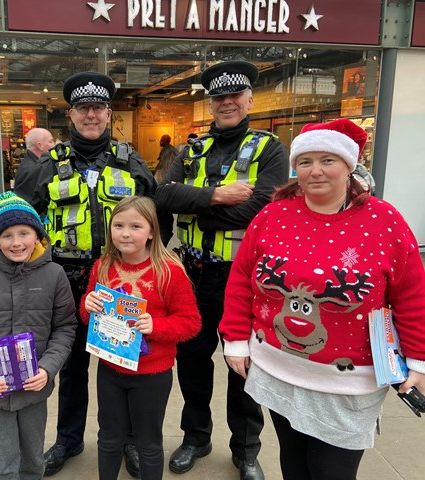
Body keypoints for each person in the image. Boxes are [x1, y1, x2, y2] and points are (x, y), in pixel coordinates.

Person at [219, 118, 425, 480]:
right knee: (293, 464)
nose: (315, 171)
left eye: (327, 160)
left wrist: (419, 359)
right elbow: (241, 280)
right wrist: (235, 338)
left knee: (333, 472)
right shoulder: (272, 216)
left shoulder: (384, 221)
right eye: (305, 161)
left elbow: (411, 295)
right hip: (279, 367)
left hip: (347, 382)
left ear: (349, 166)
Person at [14, 71, 161, 478]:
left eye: (98, 107)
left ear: (109, 113)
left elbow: (152, 216)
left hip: (120, 281)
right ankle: (69, 439)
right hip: (67, 279)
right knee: (72, 365)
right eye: (83, 108)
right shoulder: (46, 165)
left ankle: (129, 439)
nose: (91, 115)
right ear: (71, 115)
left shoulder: (131, 161)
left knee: (125, 363)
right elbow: (22, 221)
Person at [155, 60, 289, 480]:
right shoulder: (190, 148)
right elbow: (163, 195)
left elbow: (261, 208)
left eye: (235, 96)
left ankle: (246, 449)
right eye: (219, 97)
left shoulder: (270, 148)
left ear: (250, 99)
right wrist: (218, 196)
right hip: (193, 274)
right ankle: (196, 437)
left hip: (244, 277)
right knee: (192, 359)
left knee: (244, 363)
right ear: (210, 104)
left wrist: (199, 210)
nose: (227, 103)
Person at [0, 191, 77, 480]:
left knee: (33, 461)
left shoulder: (55, 275)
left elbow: (65, 327)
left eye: (24, 233)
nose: (16, 242)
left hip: (35, 389)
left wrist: (48, 367)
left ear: (37, 235)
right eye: (7, 235)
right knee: (3, 465)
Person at [81, 196, 201, 480]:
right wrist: (87, 304)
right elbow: (90, 317)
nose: (125, 233)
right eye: (118, 225)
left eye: (135, 226)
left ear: (151, 231)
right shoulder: (103, 266)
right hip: (110, 368)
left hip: (151, 374)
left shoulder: (169, 271)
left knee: (148, 442)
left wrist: (155, 326)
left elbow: (191, 323)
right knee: (108, 439)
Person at [13, 128, 55, 207]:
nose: (54, 145)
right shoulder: (34, 169)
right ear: (40, 145)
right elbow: (33, 201)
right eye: (51, 141)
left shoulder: (30, 165)